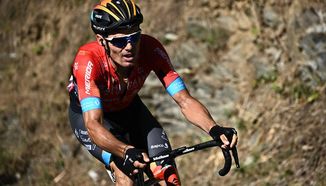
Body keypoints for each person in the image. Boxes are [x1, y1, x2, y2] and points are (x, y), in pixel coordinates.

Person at [67, 0, 238, 185]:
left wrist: (214, 129)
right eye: (119, 41)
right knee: (126, 174)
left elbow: (184, 100)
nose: (130, 46)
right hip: (94, 121)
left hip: (131, 111)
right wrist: (125, 151)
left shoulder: (151, 49)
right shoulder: (88, 61)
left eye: (134, 37)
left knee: (168, 175)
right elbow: (93, 124)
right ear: (101, 41)